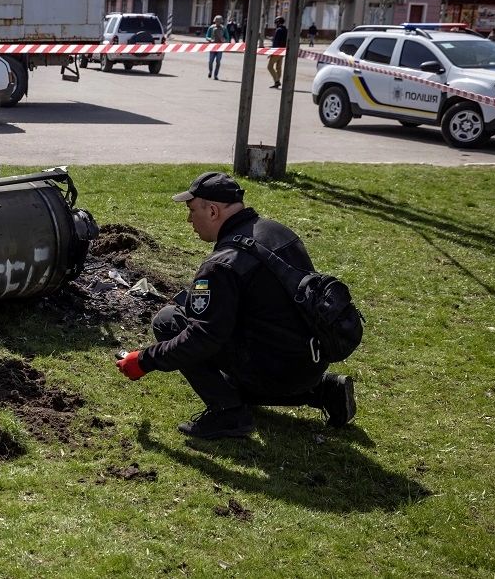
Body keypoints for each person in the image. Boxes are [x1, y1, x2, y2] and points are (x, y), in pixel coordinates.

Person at [114, 171, 356, 439]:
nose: (188, 219)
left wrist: (144, 361)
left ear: (214, 211)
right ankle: (322, 390)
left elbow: (202, 339)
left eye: (192, 210)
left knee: (169, 321)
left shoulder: (221, 265)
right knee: (234, 375)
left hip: (275, 372)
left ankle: (227, 414)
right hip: (311, 362)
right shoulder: (279, 231)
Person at [205, 15, 231, 80]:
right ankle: (210, 71)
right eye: (216, 21)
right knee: (210, 61)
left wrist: (224, 40)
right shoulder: (211, 27)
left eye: (219, 21)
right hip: (212, 47)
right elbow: (206, 36)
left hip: (220, 47)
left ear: (221, 21)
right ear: (215, 21)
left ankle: (216, 75)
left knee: (218, 61)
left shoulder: (224, 28)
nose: (218, 22)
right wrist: (210, 39)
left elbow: (227, 38)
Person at [268, 15, 288, 88]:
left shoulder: (278, 30)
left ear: (278, 23)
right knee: (278, 67)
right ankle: (277, 82)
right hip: (283, 51)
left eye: (276, 23)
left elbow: (275, 42)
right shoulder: (286, 30)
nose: (275, 25)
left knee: (269, 66)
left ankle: (277, 81)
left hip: (277, 51)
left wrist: (271, 52)